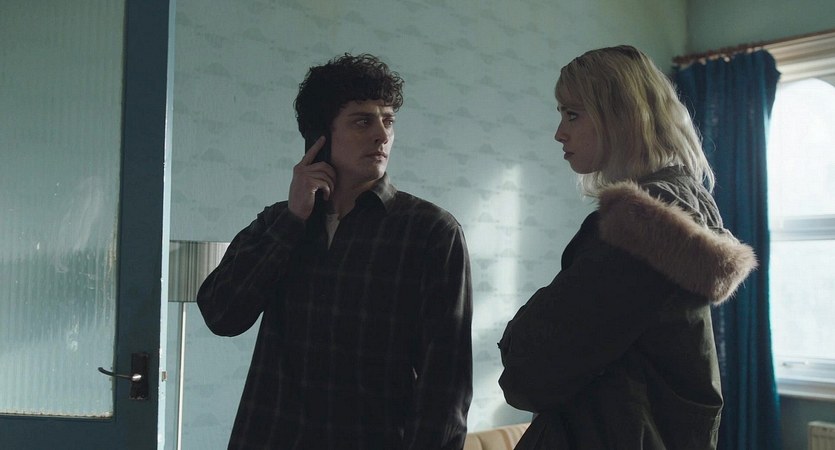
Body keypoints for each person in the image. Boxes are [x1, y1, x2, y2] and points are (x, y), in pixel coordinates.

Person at [197, 53, 473, 450]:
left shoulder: (430, 232)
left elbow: (445, 382)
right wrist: (292, 221)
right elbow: (222, 315)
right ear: (320, 139)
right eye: (363, 121)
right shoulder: (277, 221)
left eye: (388, 120)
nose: (382, 135)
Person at [497, 45, 758, 449]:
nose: (559, 133)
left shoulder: (637, 225)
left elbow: (534, 371)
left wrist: (519, 332)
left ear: (620, 116)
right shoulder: (687, 205)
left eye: (572, 114)